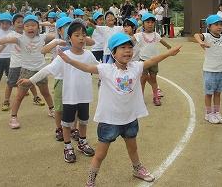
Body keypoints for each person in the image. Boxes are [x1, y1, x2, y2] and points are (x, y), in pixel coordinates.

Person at [57, 32, 181, 186]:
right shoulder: (106, 69)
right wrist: (69, 60)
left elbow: (153, 60)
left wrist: (169, 52)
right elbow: (87, 67)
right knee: (101, 154)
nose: (128, 51)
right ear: (113, 52)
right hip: (109, 121)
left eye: (130, 47)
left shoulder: (136, 67)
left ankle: (137, 169)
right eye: (123, 47)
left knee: (133, 149)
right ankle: (91, 179)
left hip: (129, 119)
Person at [19, 20, 97, 163]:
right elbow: (47, 69)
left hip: (84, 96)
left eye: (84, 35)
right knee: (66, 123)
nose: (81, 38)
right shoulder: (64, 56)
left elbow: (100, 69)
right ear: (69, 38)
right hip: (69, 97)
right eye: (77, 35)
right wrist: (31, 80)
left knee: (83, 121)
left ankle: (82, 142)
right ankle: (67, 146)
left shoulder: (88, 55)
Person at [0, 15, 56, 128]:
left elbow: (56, 36)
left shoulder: (43, 37)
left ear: (38, 27)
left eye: (33, 25)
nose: (30, 27)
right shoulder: (20, 39)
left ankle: (51, 110)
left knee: (46, 93)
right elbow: (7, 40)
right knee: (19, 96)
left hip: (40, 71)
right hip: (26, 71)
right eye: (27, 25)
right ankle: (13, 117)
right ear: (23, 28)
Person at [134, 13, 172, 106]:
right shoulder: (139, 35)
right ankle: (140, 99)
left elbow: (163, 42)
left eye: (152, 22)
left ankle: (156, 97)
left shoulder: (156, 35)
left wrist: (169, 47)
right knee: (142, 80)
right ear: (143, 23)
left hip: (154, 61)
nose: (150, 24)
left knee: (154, 80)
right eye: (147, 22)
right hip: (143, 61)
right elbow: (130, 41)